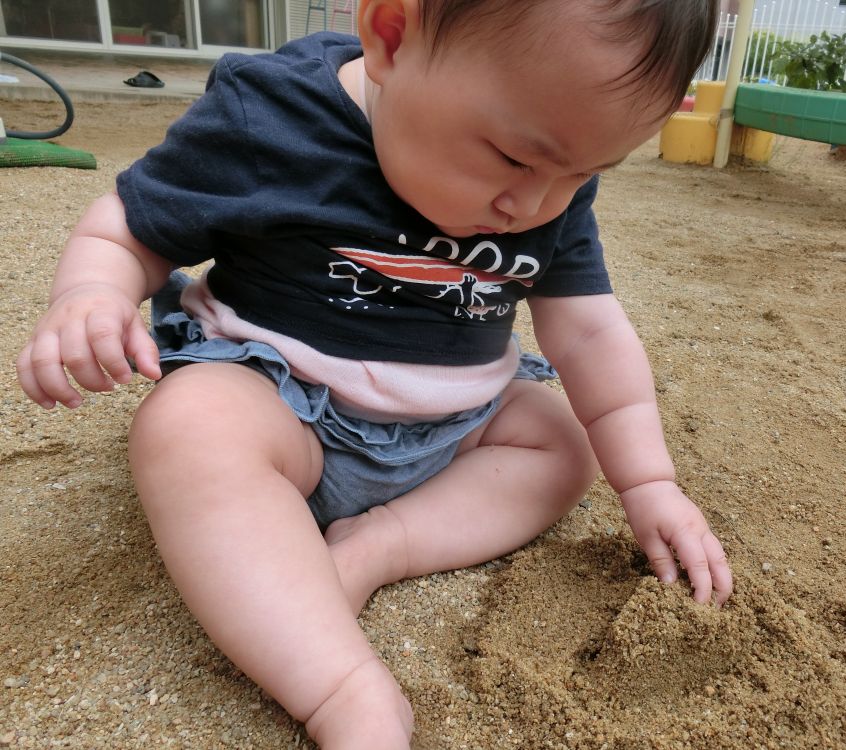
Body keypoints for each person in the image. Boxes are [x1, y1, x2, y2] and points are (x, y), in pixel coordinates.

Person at [15, 0, 733, 747]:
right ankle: (343, 689)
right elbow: (128, 228)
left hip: (455, 423)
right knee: (189, 428)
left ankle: (379, 544)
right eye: (515, 158)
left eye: (582, 173)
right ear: (391, 36)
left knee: (566, 442)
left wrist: (649, 482)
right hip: (285, 403)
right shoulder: (271, 114)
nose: (534, 205)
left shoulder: (549, 166)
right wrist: (90, 294)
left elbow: (587, 330)